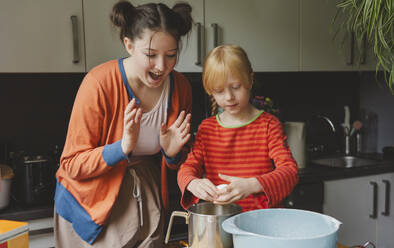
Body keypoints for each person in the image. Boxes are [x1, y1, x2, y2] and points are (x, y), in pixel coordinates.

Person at [54, 1, 193, 247]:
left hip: (147, 199)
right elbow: (71, 163)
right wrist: (122, 147)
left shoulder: (180, 88)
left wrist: (172, 155)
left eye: (171, 55)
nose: (162, 66)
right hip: (91, 204)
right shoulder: (99, 83)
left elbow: (180, 162)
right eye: (151, 55)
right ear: (128, 45)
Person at [177, 45, 298, 212]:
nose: (229, 97)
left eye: (236, 87)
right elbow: (187, 169)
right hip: (222, 223)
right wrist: (192, 183)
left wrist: (252, 185)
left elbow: (290, 172)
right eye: (219, 91)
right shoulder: (207, 129)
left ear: (250, 80)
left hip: (262, 224)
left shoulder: (269, 125)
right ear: (210, 91)